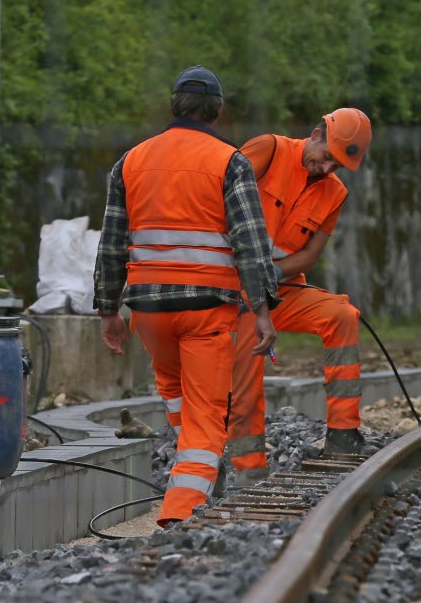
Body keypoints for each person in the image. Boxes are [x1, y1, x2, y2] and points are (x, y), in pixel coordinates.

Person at [93, 67, 281, 526]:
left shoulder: (131, 160)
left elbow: (112, 240)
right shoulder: (229, 161)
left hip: (149, 312)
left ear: (173, 105)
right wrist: (262, 310)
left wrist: (107, 311)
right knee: (206, 415)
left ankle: (196, 470)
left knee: (175, 393)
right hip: (205, 311)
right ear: (218, 110)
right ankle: (181, 510)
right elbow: (250, 243)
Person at [225, 108, 372, 483]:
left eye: (336, 166)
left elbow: (309, 255)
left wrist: (272, 272)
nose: (326, 170)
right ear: (315, 134)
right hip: (233, 288)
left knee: (342, 315)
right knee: (245, 378)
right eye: (326, 158)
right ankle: (248, 472)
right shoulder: (268, 150)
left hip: (281, 288)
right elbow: (219, 198)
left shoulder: (335, 193)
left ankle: (343, 435)